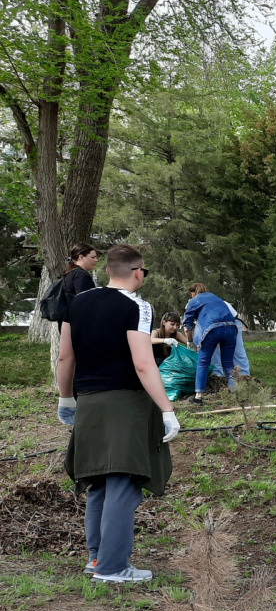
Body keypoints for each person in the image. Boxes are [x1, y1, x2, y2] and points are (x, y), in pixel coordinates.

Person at [56, 244, 178, 584]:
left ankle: (96, 560)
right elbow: (143, 362)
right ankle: (112, 568)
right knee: (123, 481)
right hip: (126, 404)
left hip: (89, 402)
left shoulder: (77, 303)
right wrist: (167, 409)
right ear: (137, 272)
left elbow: (66, 357)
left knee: (99, 481)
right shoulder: (137, 306)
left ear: (108, 270)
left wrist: (65, 399)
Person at [182, 282, 239, 404]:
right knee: (228, 363)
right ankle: (236, 394)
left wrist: (190, 341)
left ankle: (198, 397)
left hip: (212, 329)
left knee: (203, 362)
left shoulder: (193, 301)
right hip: (231, 328)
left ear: (192, 293)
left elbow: (187, 326)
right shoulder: (215, 297)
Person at [58, 243, 99, 326]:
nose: (96, 260)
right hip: (77, 325)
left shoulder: (70, 273)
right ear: (81, 257)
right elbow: (84, 303)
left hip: (66, 322)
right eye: (93, 257)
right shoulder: (81, 275)